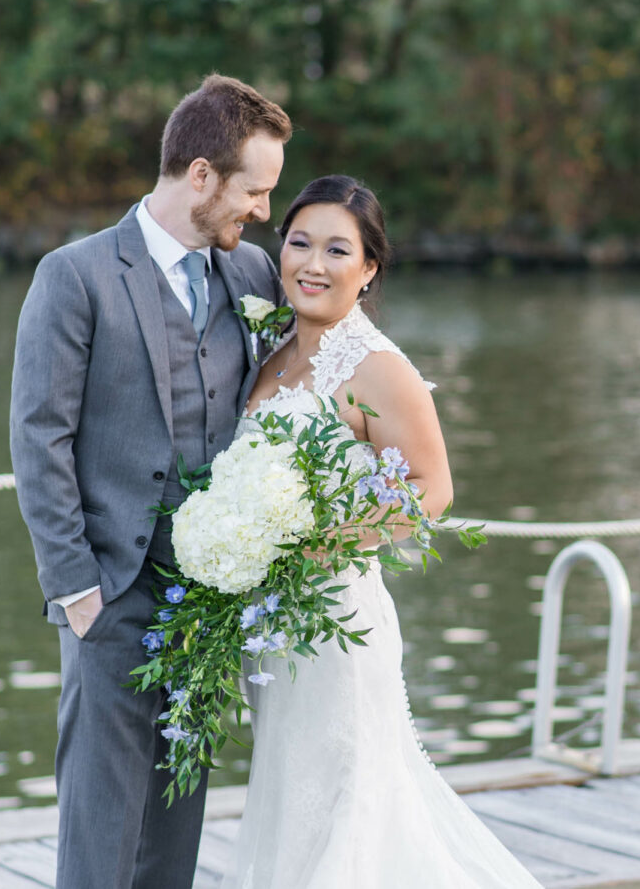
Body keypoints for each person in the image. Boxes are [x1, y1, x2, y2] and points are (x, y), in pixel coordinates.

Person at [9, 74, 292, 888]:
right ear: (200, 174)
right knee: (100, 831)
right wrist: (75, 590)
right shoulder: (76, 275)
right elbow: (40, 439)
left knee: (179, 819)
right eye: (255, 191)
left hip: (207, 597)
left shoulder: (251, 277)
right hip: (108, 591)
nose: (264, 213)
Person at [222, 175, 542, 888]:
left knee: (350, 799)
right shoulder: (271, 352)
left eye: (338, 249)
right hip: (274, 627)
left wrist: (331, 542)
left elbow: (433, 488)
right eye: (299, 242)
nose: (313, 263)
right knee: (291, 799)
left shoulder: (376, 366)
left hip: (335, 621)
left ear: (368, 270)